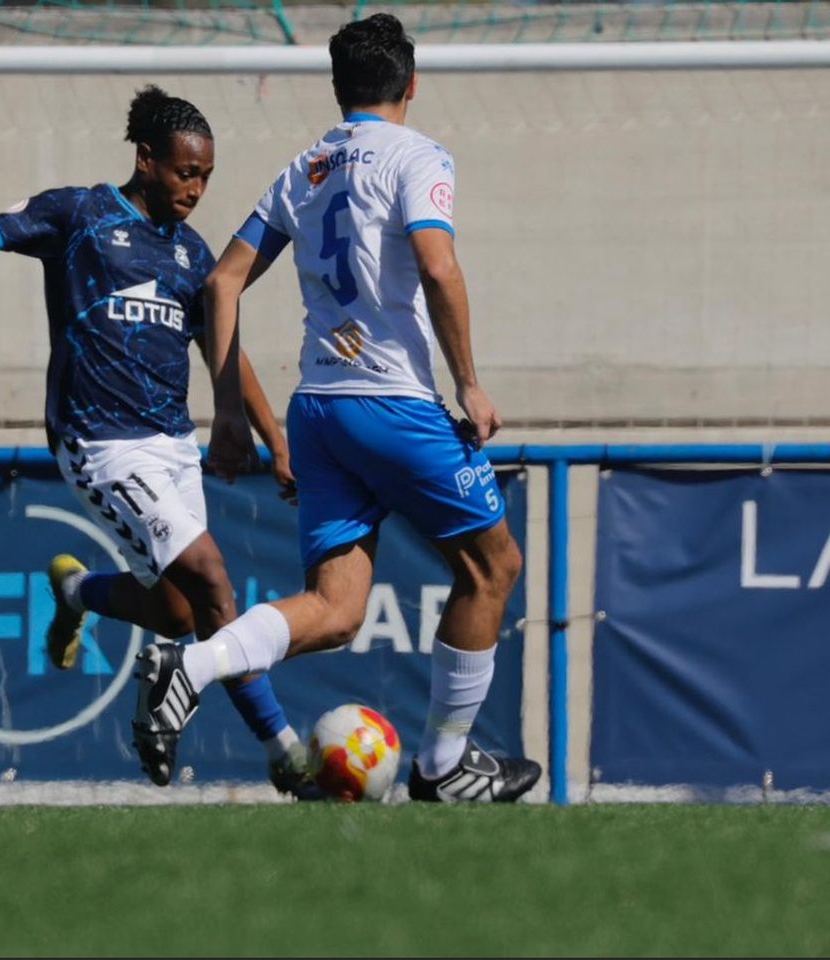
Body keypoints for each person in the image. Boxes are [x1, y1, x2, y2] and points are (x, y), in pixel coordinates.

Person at [132, 15, 542, 803]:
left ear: (337, 88)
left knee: (337, 608)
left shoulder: (307, 166)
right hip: (394, 404)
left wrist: (226, 413)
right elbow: (436, 261)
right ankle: (445, 763)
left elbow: (219, 284)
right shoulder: (419, 157)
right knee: (495, 566)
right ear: (411, 85)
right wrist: (469, 383)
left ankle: (195, 661)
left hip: (318, 409)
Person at [0, 86, 315, 794]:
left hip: (174, 446)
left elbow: (224, 347)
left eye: (206, 176)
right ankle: (285, 752)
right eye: (186, 173)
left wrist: (275, 439)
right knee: (213, 582)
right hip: (100, 444)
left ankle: (78, 592)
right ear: (146, 160)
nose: (197, 189)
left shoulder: (191, 254)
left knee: (180, 612)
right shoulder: (81, 216)